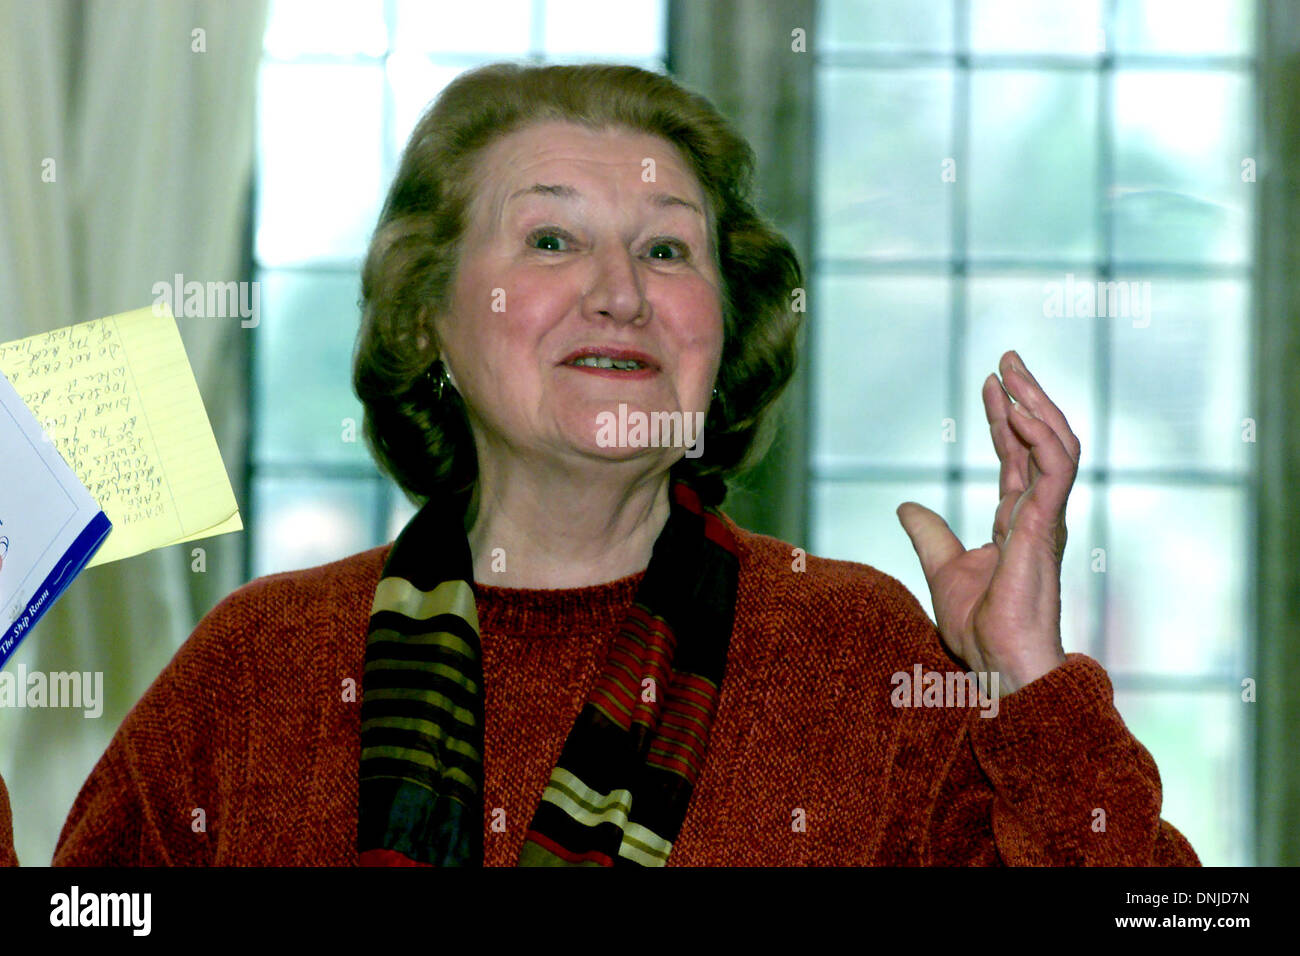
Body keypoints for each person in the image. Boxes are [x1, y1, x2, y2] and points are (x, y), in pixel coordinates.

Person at [0, 61, 1198, 866]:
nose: (620, 292)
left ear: (722, 332)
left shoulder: (865, 655)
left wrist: (1033, 686)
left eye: (668, 248)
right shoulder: (259, 664)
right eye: (554, 237)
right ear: (429, 314)